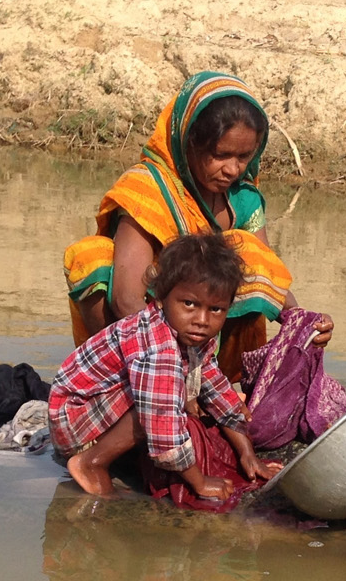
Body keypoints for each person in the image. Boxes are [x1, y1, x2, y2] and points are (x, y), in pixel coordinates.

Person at [63, 71, 332, 383]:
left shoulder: (243, 201)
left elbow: (268, 276)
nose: (233, 169)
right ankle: (123, 387)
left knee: (249, 253)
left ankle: (224, 381)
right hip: (146, 348)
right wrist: (174, 364)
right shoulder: (147, 190)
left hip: (210, 348)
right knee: (93, 257)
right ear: (189, 141)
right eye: (220, 155)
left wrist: (302, 321)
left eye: (244, 157)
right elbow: (126, 299)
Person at [49, 232, 282, 503]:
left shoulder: (191, 337)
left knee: (182, 403)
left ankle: (110, 455)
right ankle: (91, 461)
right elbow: (161, 423)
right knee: (158, 407)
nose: (202, 320)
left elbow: (219, 393)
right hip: (76, 420)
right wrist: (199, 481)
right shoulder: (159, 348)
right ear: (161, 297)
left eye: (216, 309)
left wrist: (247, 453)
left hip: (100, 413)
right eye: (189, 304)